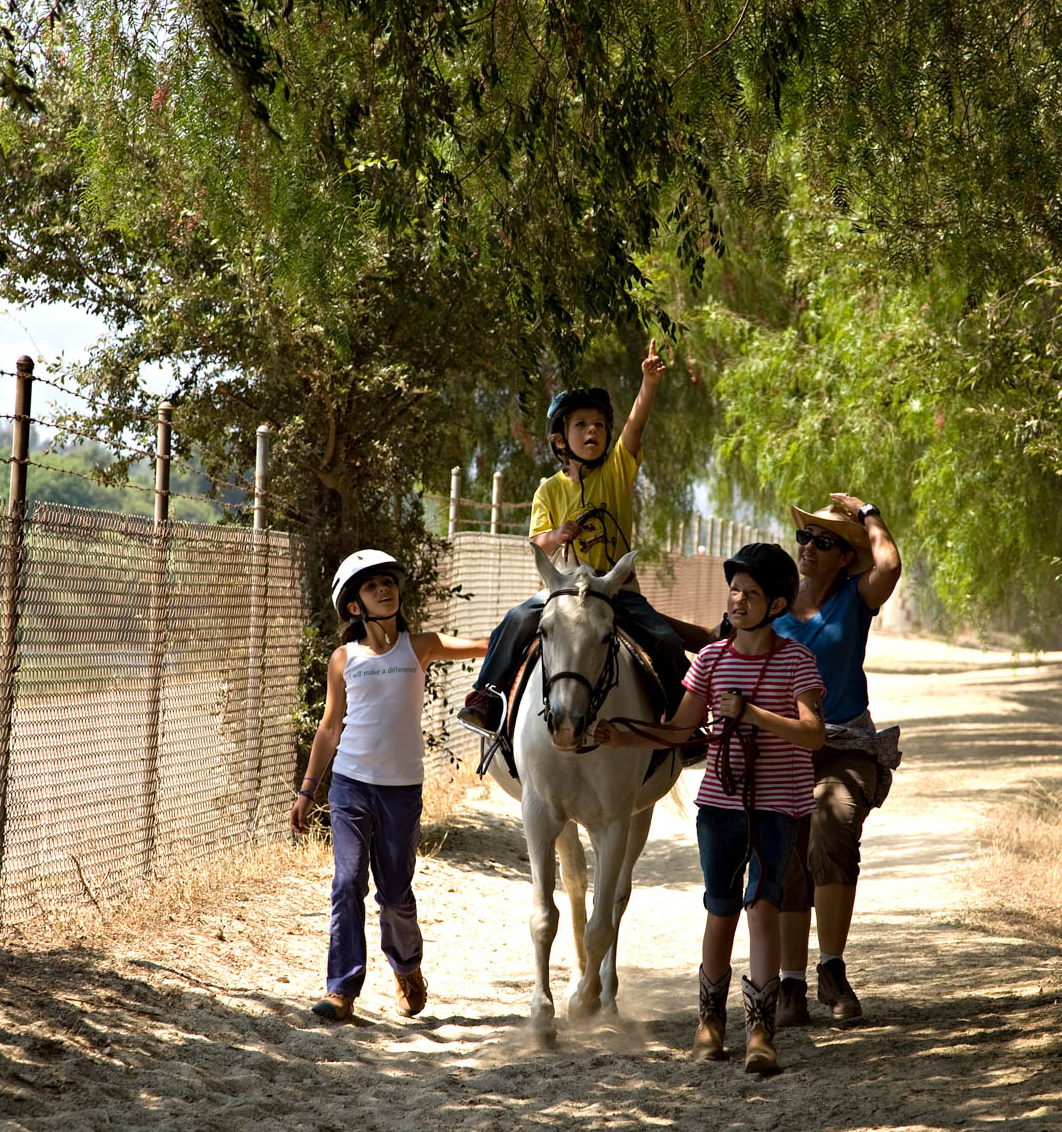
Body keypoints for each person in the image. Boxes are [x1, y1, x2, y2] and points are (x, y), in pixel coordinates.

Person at [594, 543, 824, 1074]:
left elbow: (812, 736)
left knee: (763, 909)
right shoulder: (713, 659)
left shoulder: (797, 661)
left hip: (774, 807)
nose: (738, 600)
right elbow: (677, 730)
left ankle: (761, 1032)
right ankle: (710, 1023)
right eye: (735, 590)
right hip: (720, 805)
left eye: (752, 593)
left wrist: (751, 713)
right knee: (719, 911)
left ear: (778, 605)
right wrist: (619, 736)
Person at [457, 342, 711, 739]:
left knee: (662, 639)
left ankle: (685, 726)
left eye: (599, 424)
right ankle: (487, 699)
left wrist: (648, 383)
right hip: (562, 592)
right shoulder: (548, 491)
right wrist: (558, 534)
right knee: (516, 620)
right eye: (581, 425)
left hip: (616, 590)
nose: (593, 430)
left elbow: (636, 426)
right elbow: (538, 546)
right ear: (560, 441)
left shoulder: (617, 470)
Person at [293, 549, 488, 1023]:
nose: (385, 588)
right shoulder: (344, 659)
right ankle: (341, 990)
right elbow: (328, 728)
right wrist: (306, 791)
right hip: (350, 786)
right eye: (371, 585)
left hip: (402, 789)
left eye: (388, 581)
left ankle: (406, 969)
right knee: (346, 882)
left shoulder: (420, 645)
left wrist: (530, 631)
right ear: (354, 606)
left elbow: (485, 646)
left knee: (396, 893)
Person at [771, 495, 903, 1026]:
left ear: (845, 557)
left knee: (832, 827)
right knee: (784, 857)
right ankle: (790, 986)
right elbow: (721, 642)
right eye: (805, 537)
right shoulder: (773, 606)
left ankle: (831, 969)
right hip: (784, 750)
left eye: (823, 541)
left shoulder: (855, 598)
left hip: (846, 747)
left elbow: (889, 564)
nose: (808, 546)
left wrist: (870, 512)